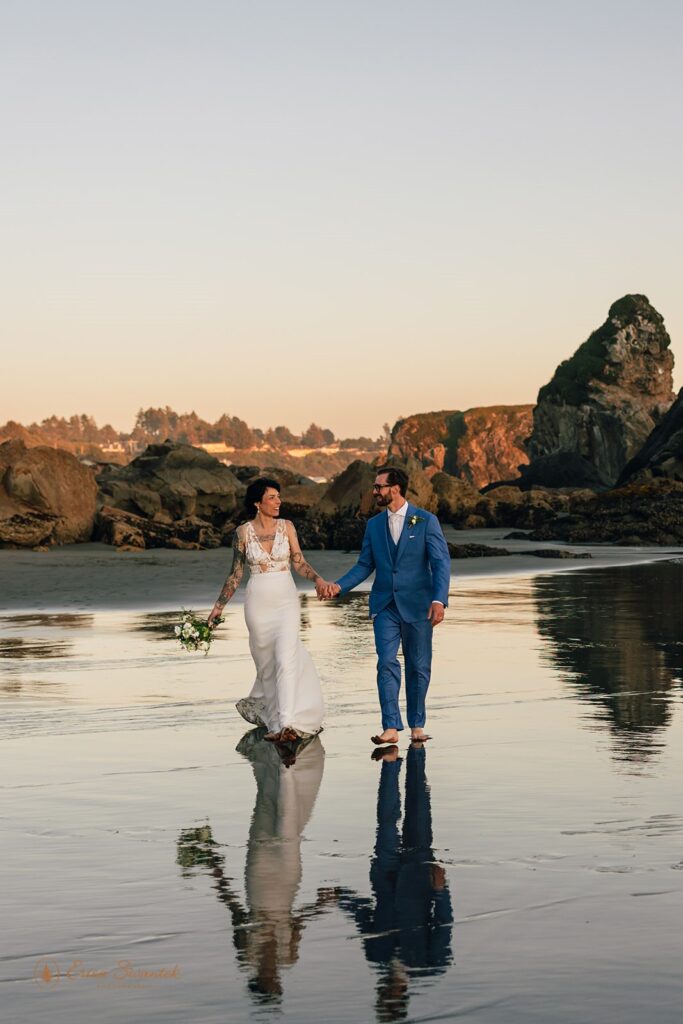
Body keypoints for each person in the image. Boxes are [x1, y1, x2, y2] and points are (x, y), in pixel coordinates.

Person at [320, 466, 451, 745]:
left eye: (379, 486)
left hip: (419, 605)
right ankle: (391, 726)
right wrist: (339, 586)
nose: (374, 491)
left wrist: (439, 600)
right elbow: (364, 565)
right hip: (384, 605)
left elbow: (441, 563)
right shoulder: (373, 526)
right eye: (375, 486)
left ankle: (417, 724)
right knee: (386, 663)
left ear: (395, 488)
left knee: (418, 666)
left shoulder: (426, 521)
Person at [207, 478, 333, 742]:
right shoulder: (243, 533)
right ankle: (275, 722)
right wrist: (218, 607)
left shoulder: (287, 527)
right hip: (258, 605)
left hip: (286, 601)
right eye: (272, 497)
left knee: (285, 659)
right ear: (257, 503)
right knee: (267, 666)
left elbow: (299, 562)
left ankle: (287, 723)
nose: (278, 502)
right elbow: (235, 574)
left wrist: (318, 580)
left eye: (278, 497)